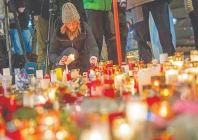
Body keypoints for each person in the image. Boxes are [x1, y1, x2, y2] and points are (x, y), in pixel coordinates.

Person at [49, 3, 98, 72]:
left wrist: (93, 57)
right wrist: (59, 59)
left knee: (89, 61)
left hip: (80, 57)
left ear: (78, 22)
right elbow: (51, 53)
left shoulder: (84, 27)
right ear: (64, 24)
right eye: (68, 24)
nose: (72, 26)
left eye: (74, 23)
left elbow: (93, 46)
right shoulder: (58, 31)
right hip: (65, 62)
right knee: (71, 51)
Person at [83, 0, 118, 64]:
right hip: (93, 6)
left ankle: (115, 67)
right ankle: (95, 68)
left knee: (112, 38)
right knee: (96, 39)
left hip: (107, 7)